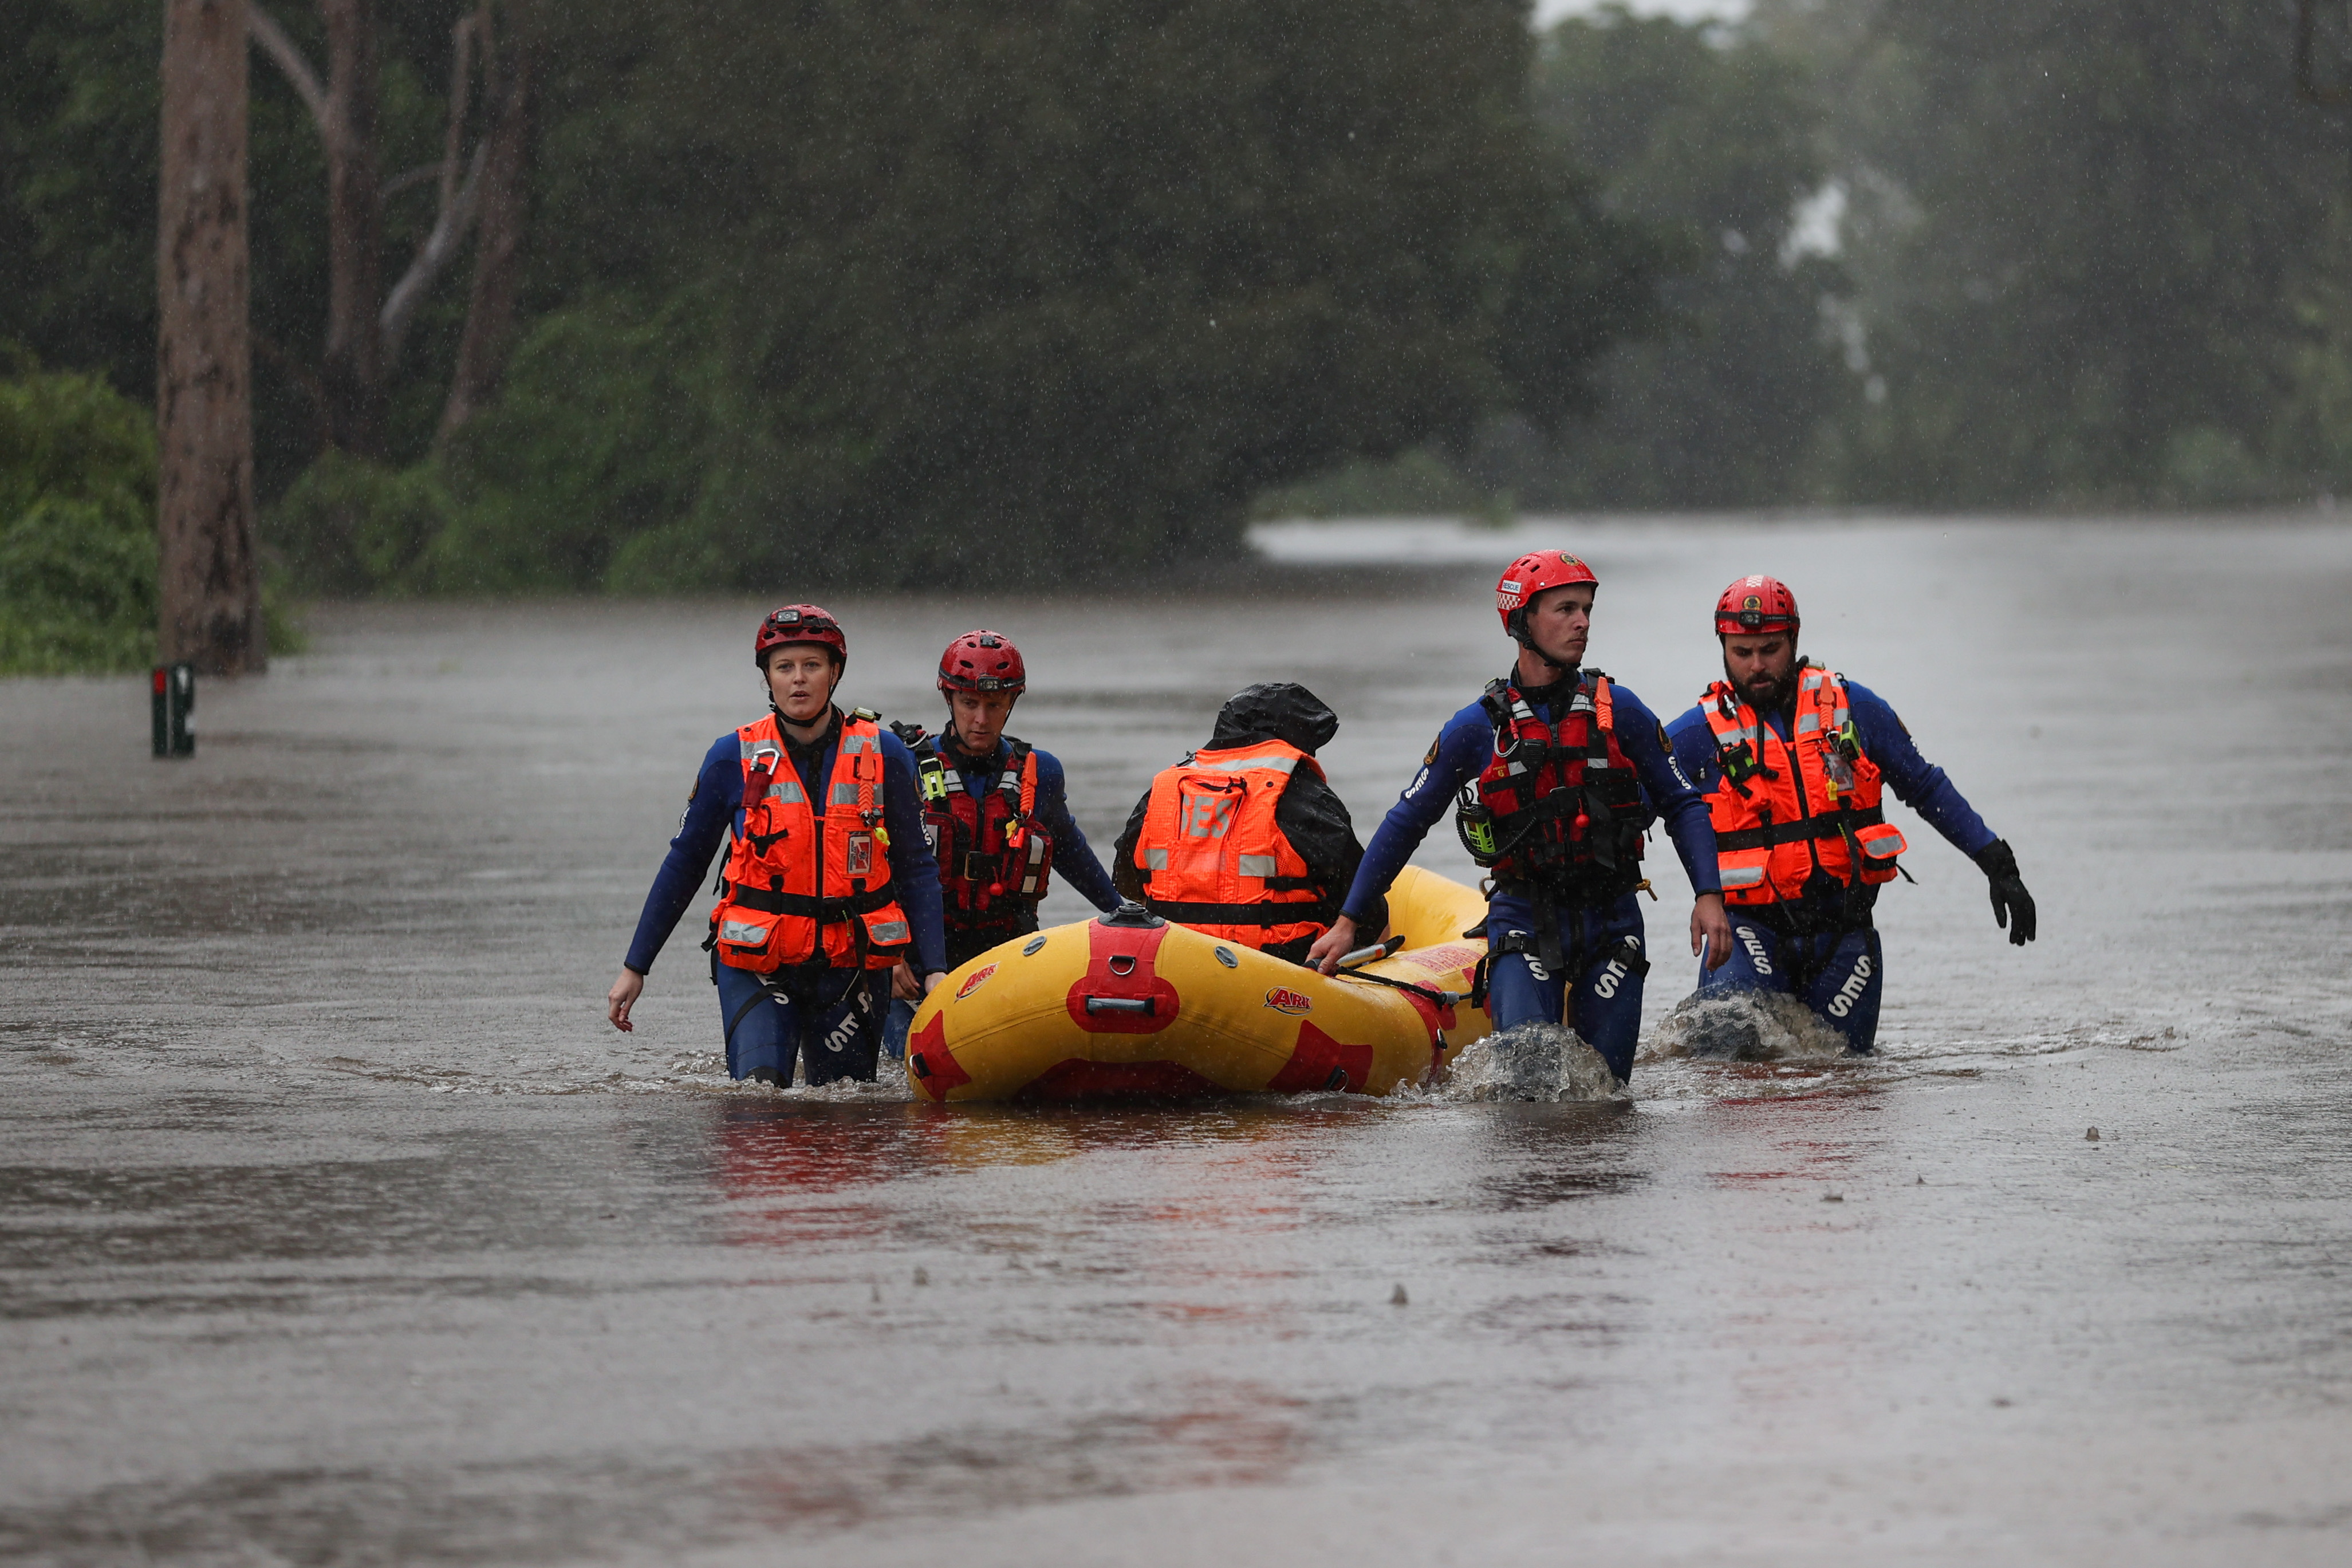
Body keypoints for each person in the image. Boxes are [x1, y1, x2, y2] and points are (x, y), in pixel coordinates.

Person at [1305, 551, 1735, 1084]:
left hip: (1611, 922)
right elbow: (1407, 821)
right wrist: (1349, 922)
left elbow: (1682, 802)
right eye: (1564, 609)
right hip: (1523, 919)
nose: (1581, 622)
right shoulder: (1476, 728)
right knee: (1525, 1080)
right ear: (1521, 620)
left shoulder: (1619, 710)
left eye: (1586, 610)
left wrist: (1708, 895)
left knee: (1607, 1094)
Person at [1664, 575, 2036, 1054]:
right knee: (1728, 1061)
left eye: (1770, 649)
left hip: (1843, 936)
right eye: (1742, 653)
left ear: (1793, 641)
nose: (1757, 666)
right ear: (1723, 649)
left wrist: (1995, 862)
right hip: (1747, 931)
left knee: (1842, 1082)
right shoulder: (1697, 733)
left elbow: (1924, 787)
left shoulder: (1853, 708)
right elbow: (1633, 808)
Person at [605, 604, 947, 1085]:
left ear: (835, 673)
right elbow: (685, 863)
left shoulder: (884, 753)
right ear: (767, 677)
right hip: (758, 961)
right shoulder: (732, 755)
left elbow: (916, 868)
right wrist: (635, 967)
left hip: (851, 964)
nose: (798, 680)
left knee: (846, 1113)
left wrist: (934, 969)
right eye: (784, 668)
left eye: (812, 666)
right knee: (760, 1099)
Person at [881, 630, 1121, 1053]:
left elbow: (1070, 851)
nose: (981, 719)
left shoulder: (1039, 772)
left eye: (994, 706)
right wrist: (888, 955)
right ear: (948, 700)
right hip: (915, 962)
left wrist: (1123, 913)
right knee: (907, 1063)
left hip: (1007, 953)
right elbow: (875, 867)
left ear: (1012, 703)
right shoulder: (906, 765)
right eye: (969, 704)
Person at [1112, 681, 1380, 964]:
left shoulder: (1165, 789)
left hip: (1175, 959)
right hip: (1278, 967)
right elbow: (1365, 904)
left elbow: (1126, 882)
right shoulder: (1302, 793)